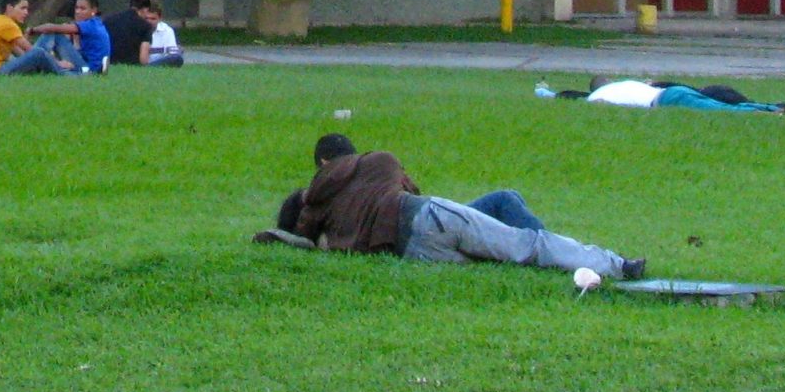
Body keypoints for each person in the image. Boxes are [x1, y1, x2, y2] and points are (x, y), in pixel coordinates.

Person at [258, 134, 641, 280]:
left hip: (412, 251)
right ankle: (616, 265)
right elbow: (412, 187)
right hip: (427, 216)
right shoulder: (376, 161)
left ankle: (569, 268)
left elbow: (299, 241)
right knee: (525, 245)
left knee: (501, 261)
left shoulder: (315, 204)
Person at [574, 77, 785, 116]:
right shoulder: (626, 82)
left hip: (665, 101)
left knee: (726, 111)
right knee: (731, 104)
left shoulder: (595, 99)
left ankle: (784, 113)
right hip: (671, 91)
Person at [0, 0, 78, 76]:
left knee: (38, 55)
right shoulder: (7, 24)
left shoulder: (0, 22)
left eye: (27, 9)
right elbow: (30, 49)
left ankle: (56, 72)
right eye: (22, 8)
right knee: (39, 52)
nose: (26, 13)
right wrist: (58, 63)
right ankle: (67, 75)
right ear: (9, 8)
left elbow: (20, 53)